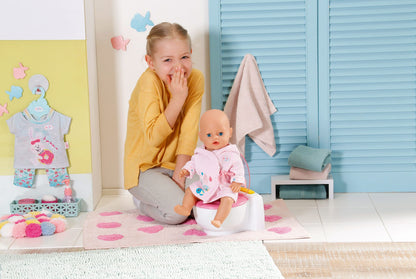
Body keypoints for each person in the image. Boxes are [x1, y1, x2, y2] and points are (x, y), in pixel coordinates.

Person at [124, 22, 204, 224]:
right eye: (168, 60)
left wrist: (180, 176)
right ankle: (141, 203)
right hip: (145, 169)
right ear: (151, 62)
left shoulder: (195, 78)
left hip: (177, 164)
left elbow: (189, 132)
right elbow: (153, 138)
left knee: (206, 202)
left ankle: (170, 194)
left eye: (184, 57)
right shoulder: (148, 83)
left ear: (191, 54)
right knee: (179, 212)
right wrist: (177, 100)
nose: (179, 67)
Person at [174, 109, 245, 228]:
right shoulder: (200, 153)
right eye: (209, 135)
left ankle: (219, 219)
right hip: (205, 186)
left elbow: (238, 169)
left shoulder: (231, 154)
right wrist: (186, 170)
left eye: (220, 133)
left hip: (224, 186)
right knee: (190, 190)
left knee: (228, 198)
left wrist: (237, 182)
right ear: (201, 136)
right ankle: (186, 208)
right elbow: (193, 163)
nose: (215, 138)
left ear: (230, 132)